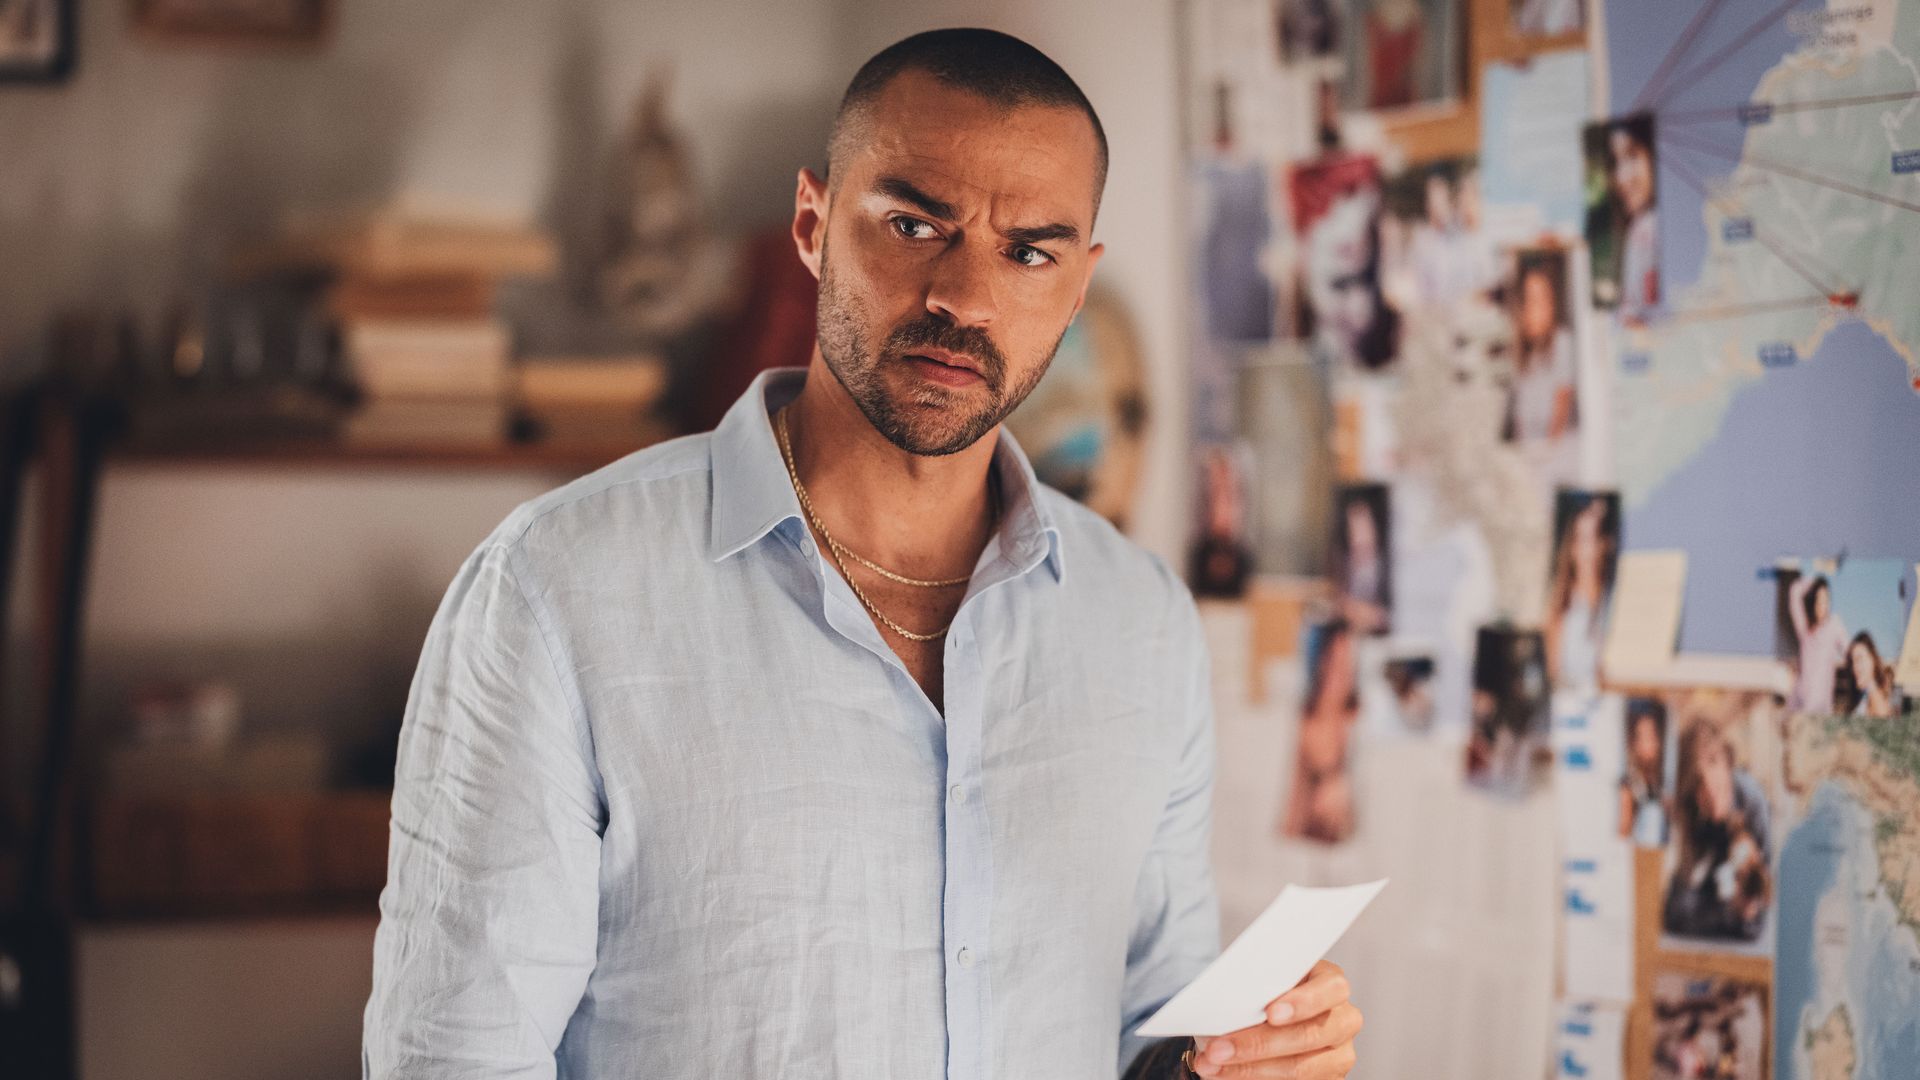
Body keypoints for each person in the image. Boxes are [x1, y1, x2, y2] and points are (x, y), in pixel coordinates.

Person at [362, 29, 1362, 1080]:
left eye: (1029, 251)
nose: (964, 297)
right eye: (915, 224)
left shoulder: (1142, 621)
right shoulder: (555, 590)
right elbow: (453, 1060)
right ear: (812, 225)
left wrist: (1249, 1055)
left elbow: (1154, 1031)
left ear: (1077, 287)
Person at [1662, 719, 1771, 941]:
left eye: (1720, 789)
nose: (1714, 807)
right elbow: (1675, 913)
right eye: (1703, 796)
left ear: (1728, 763)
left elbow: (1755, 922)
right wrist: (1729, 913)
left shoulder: (1752, 802)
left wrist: (1740, 910)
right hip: (1712, 908)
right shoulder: (1689, 811)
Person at [1281, 621, 1359, 843]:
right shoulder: (1334, 761)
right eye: (1338, 819)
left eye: (1330, 818)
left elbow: (1329, 698)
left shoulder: (1320, 755)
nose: (1340, 810)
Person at [1505, 254, 1577, 445]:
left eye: (1545, 299)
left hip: (1551, 451)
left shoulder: (1561, 341)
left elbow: (1563, 399)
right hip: (1526, 447)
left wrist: (1550, 447)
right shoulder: (1521, 350)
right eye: (1532, 301)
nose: (1540, 308)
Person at [1545, 493, 1612, 693]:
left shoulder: (1610, 598)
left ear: (1603, 544)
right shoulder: (1560, 603)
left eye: (1593, 539)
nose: (1587, 550)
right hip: (1571, 706)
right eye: (1581, 540)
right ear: (1571, 547)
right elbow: (1553, 672)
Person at [1607, 116, 1660, 326]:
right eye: (1615, 163)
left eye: (1633, 155)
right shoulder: (1636, 230)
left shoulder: (1651, 226)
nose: (1622, 177)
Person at [1787, 572, 1848, 713]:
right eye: (1819, 600)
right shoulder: (1805, 629)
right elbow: (1794, 590)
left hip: (1820, 705)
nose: (1823, 605)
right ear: (1812, 602)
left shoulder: (1834, 624)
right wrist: (1814, 582)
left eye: (1826, 600)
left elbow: (1848, 651)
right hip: (1799, 701)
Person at [1617, 698, 1668, 846]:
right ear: (1635, 744)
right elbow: (1623, 831)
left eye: (1653, 737)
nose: (1651, 744)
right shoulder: (1630, 785)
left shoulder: (1664, 780)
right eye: (1644, 738)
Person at [1842, 631, 1896, 718]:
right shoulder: (1862, 695)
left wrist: (1871, 684)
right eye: (1853, 662)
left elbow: (1883, 718)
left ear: (1873, 659)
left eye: (1859, 659)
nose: (1855, 667)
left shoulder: (1877, 693)